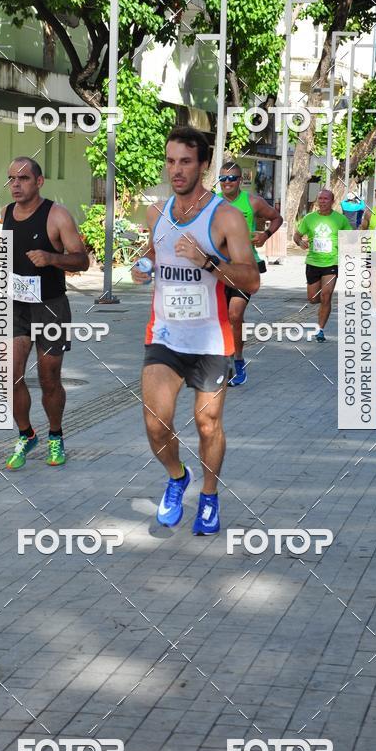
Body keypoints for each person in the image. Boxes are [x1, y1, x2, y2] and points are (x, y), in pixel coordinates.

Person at [132, 127, 259, 535]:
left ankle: (208, 495)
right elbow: (153, 254)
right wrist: (144, 267)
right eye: (170, 161)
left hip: (209, 339)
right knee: (155, 421)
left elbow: (251, 279)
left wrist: (208, 261)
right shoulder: (157, 212)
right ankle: (176, 476)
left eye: (185, 162)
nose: (176, 170)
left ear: (203, 165)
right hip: (165, 334)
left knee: (207, 426)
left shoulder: (225, 216)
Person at [1, 157, 89, 469]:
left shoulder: (57, 215)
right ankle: (26, 434)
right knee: (9, 375)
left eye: (23, 178)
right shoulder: (6, 214)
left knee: (48, 378)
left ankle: (55, 436)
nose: (15, 184)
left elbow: (82, 260)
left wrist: (51, 258)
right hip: (16, 305)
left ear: (39, 182)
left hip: (51, 305)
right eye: (11, 178)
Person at [217, 162, 282, 386]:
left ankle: (238, 362)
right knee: (220, 317)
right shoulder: (210, 203)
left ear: (240, 180)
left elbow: (277, 218)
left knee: (234, 315)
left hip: (245, 266)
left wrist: (265, 235)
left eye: (232, 178)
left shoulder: (252, 201)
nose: (227, 183)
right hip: (217, 268)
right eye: (223, 179)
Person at [293, 189, 352, 342]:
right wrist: (300, 242)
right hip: (313, 262)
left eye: (326, 199)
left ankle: (320, 329)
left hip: (331, 262)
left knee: (326, 296)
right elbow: (297, 235)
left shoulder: (340, 219)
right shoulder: (309, 218)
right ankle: (322, 307)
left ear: (332, 201)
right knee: (313, 299)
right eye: (320, 198)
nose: (322, 201)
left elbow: (351, 238)